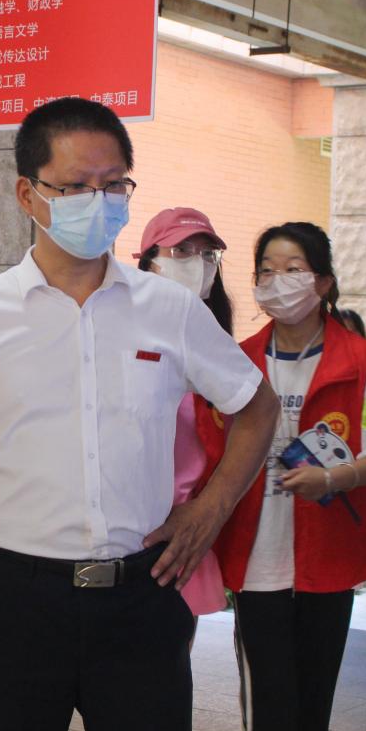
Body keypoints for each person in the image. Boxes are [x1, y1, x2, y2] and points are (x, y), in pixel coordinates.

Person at [0, 98, 279, 731]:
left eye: (113, 185)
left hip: (141, 596)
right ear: (27, 194)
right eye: (76, 186)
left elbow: (256, 406)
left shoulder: (169, 309)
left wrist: (210, 510)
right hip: (14, 600)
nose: (98, 201)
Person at [198, 221, 366, 731]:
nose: (277, 281)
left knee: (314, 703)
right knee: (268, 706)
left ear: (323, 283)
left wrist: (334, 478)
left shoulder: (360, 359)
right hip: (256, 558)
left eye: (293, 269)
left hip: (329, 557)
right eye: (266, 271)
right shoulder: (238, 358)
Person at [135, 208, 232, 630]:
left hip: (185, 533)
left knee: (172, 646)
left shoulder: (222, 351)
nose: (197, 263)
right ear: (148, 261)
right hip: (127, 531)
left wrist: (206, 512)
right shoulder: (124, 333)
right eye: (181, 251)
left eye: (207, 254)